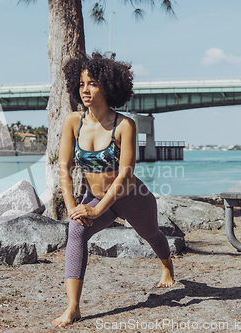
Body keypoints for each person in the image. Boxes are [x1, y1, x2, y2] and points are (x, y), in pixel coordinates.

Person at [51, 52, 174, 327]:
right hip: (93, 197)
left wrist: (96, 210)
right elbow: (64, 166)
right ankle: (73, 307)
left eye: (92, 83)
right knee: (76, 232)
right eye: (81, 83)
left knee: (151, 234)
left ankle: (167, 265)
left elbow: (125, 177)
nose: (85, 89)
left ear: (107, 86)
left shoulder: (124, 125)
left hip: (131, 197)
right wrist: (73, 208)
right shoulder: (73, 121)